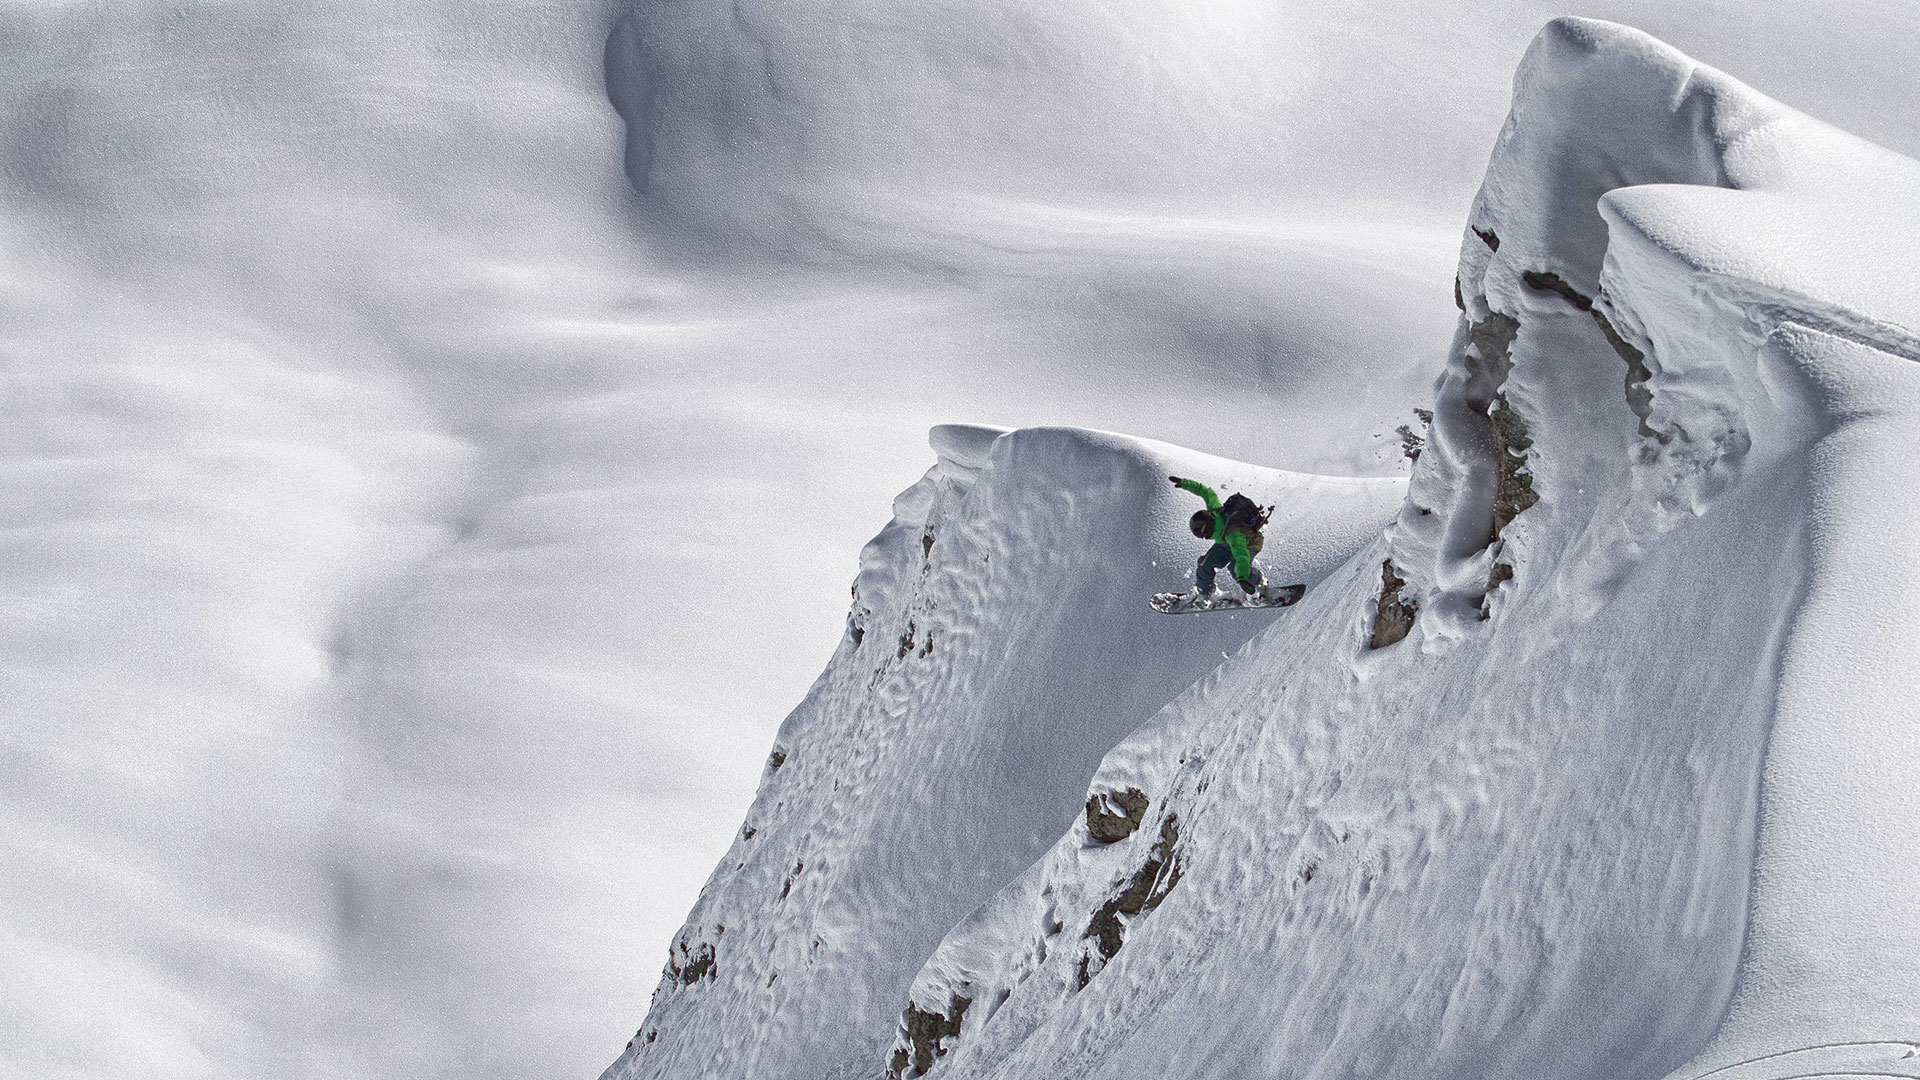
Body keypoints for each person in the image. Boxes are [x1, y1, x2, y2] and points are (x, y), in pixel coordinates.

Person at [1169, 475, 1269, 599]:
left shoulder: (1233, 533)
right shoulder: (1215, 511)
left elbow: (1241, 555)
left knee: (1235, 568)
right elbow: (1206, 492)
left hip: (1250, 541)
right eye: (1201, 537)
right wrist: (1185, 483)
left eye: (1204, 535)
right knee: (1205, 564)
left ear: (1209, 526)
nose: (1206, 538)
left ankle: (1260, 583)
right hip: (1225, 543)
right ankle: (1205, 594)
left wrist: (1242, 578)